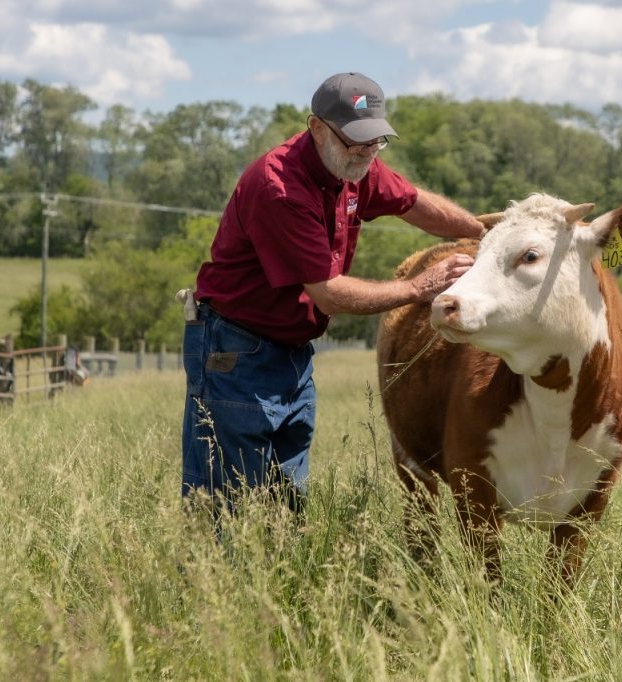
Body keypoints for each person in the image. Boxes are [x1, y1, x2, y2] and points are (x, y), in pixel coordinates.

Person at [181, 72, 483, 515]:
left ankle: (276, 562)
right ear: (317, 128)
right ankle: (210, 562)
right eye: (355, 140)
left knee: (285, 503)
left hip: (292, 352)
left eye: (376, 141)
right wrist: (417, 288)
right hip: (236, 352)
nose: (366, 151)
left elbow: (415, 203)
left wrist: (485, 233)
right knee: (226, 503)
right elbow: (329, 293)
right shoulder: (280, 187)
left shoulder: (355, 166)